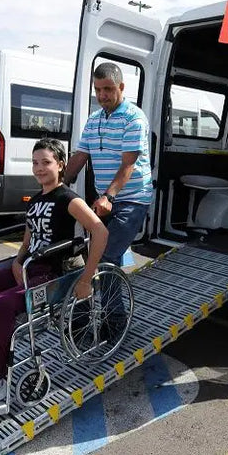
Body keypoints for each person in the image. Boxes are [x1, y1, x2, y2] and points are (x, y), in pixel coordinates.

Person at [0, 138, 108, 412]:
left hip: (51, 274)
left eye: (46, 162)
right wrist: (17, 260)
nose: (39, 168)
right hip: (28, 268)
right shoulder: (36, 199)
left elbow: (100, 232)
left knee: (2, 304)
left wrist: (87, 277)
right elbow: (28, 237)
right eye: (35, 163)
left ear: (61, 165)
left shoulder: (69, 199)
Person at [63, 62, 153, 324]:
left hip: (132, 200)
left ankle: (115, 321)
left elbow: (128, 164)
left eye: (108, 89)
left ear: (121, 87)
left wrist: (108, 196)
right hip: (107, 201)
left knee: (105, 257)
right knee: (90, 255)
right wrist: (58, 186)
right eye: (97, 90)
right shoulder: (94, 120)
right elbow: (80, 156)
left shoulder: (134, 118)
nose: (102, 95)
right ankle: (90, 310)